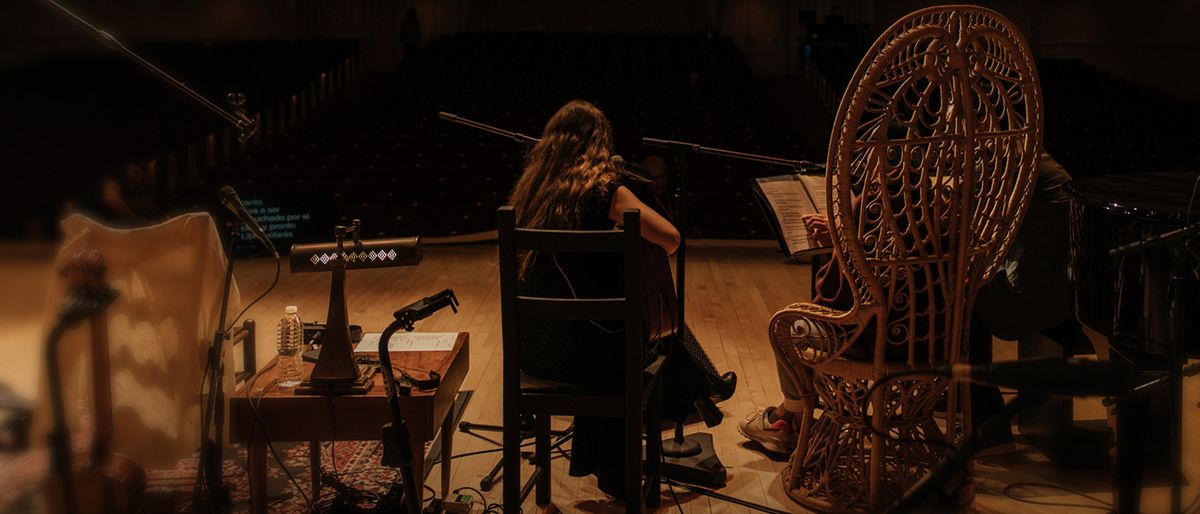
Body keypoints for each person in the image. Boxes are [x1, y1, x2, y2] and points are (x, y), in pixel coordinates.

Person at [740, 151, 1074, 456]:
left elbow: (831, 299)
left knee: (789, 327)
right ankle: (970, 415)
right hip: (929, 339)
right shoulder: (936, 218)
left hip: (878, 345)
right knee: (962, 301)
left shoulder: (868, 230)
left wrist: (843, 242)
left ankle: (790, 419)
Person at [509, 100, 722, 501]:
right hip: (592, 360)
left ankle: (700, 392)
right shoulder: (607, 192)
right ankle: (700, 393)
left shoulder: (530, 194)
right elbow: (672, 238)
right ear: (600, 145)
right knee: (653, 328)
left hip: (536, 353)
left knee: (627, 326)